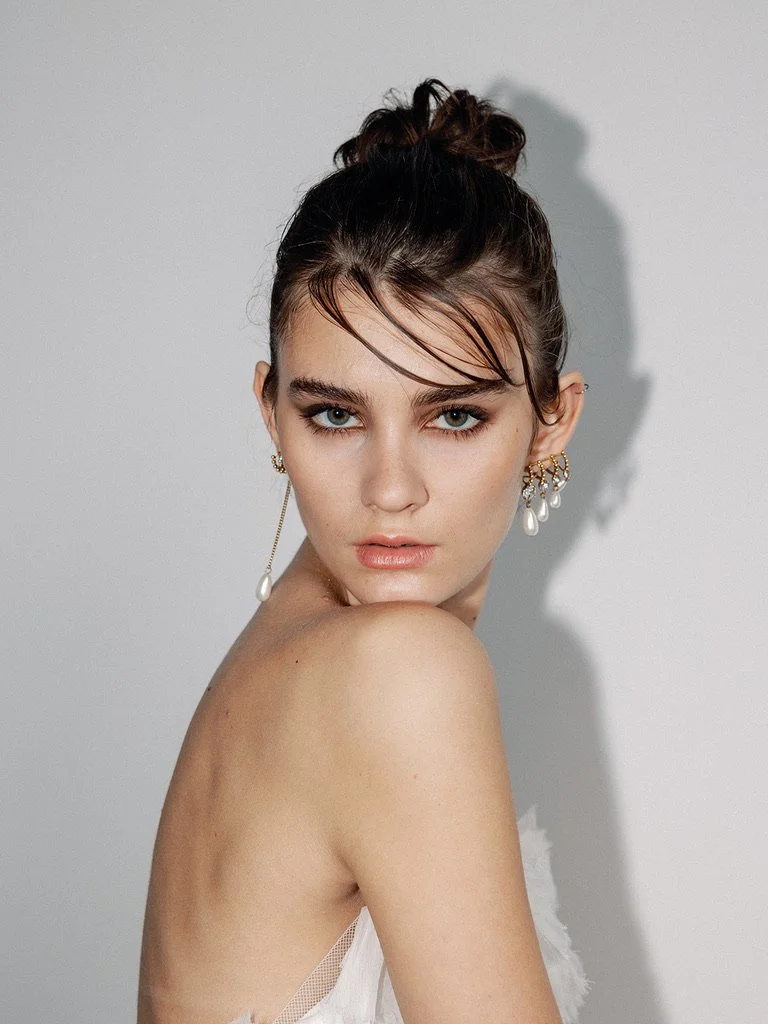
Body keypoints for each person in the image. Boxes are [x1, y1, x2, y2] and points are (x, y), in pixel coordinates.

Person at [138, 78, 590, 1024]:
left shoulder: (282, 657)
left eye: (454, 415)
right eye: (335, 414)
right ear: (272, 410)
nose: (391, 489)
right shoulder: (398, 675)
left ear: (552, 420)